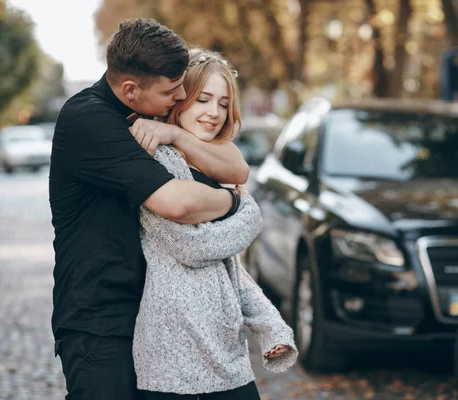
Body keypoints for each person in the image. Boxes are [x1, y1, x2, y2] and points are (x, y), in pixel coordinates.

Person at [49, 19, 249, 400]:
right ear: (130, 89)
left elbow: (236, 167)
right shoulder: (88, 120)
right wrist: (236, 202)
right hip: (101, 322)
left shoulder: (148, 111)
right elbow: (178, 203)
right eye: (172, 91)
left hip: (148, 321)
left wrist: (175, 133)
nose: (179, 99)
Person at [132, 49, 298, 400]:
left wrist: (271, 327)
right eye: (203, 99)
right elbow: (195, 247)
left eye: (223, 104)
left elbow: (229, 270)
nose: (214, 113)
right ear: (179, 100)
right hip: (173, 360)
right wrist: (248, 214)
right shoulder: (156, 164)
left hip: (226, 356)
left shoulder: (214, 168)